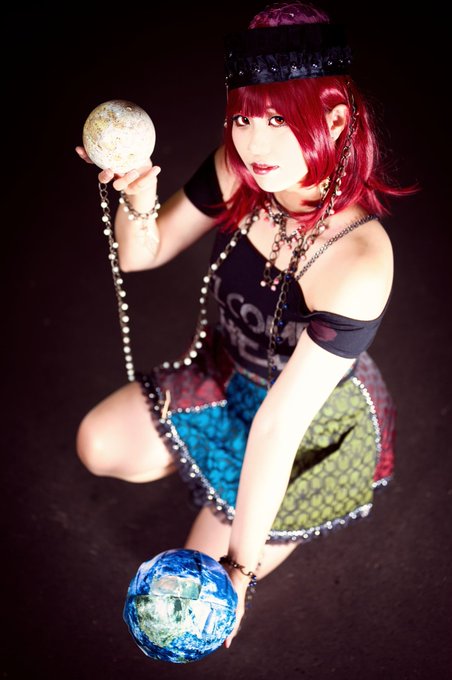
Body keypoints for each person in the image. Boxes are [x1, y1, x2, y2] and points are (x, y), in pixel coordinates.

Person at [76, 1, 403, 649]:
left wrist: (240, 569)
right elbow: (141, 255)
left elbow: (280, 427)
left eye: (280, 120)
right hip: (229, 380)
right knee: (98, 443)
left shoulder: (359, 260)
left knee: (196, 588)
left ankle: (255, 514)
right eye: (244, 118)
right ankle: (220, 483)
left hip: (307, 433)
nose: (255, 143)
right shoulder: (242, 168)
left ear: (336, 120)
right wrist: (138, 192)